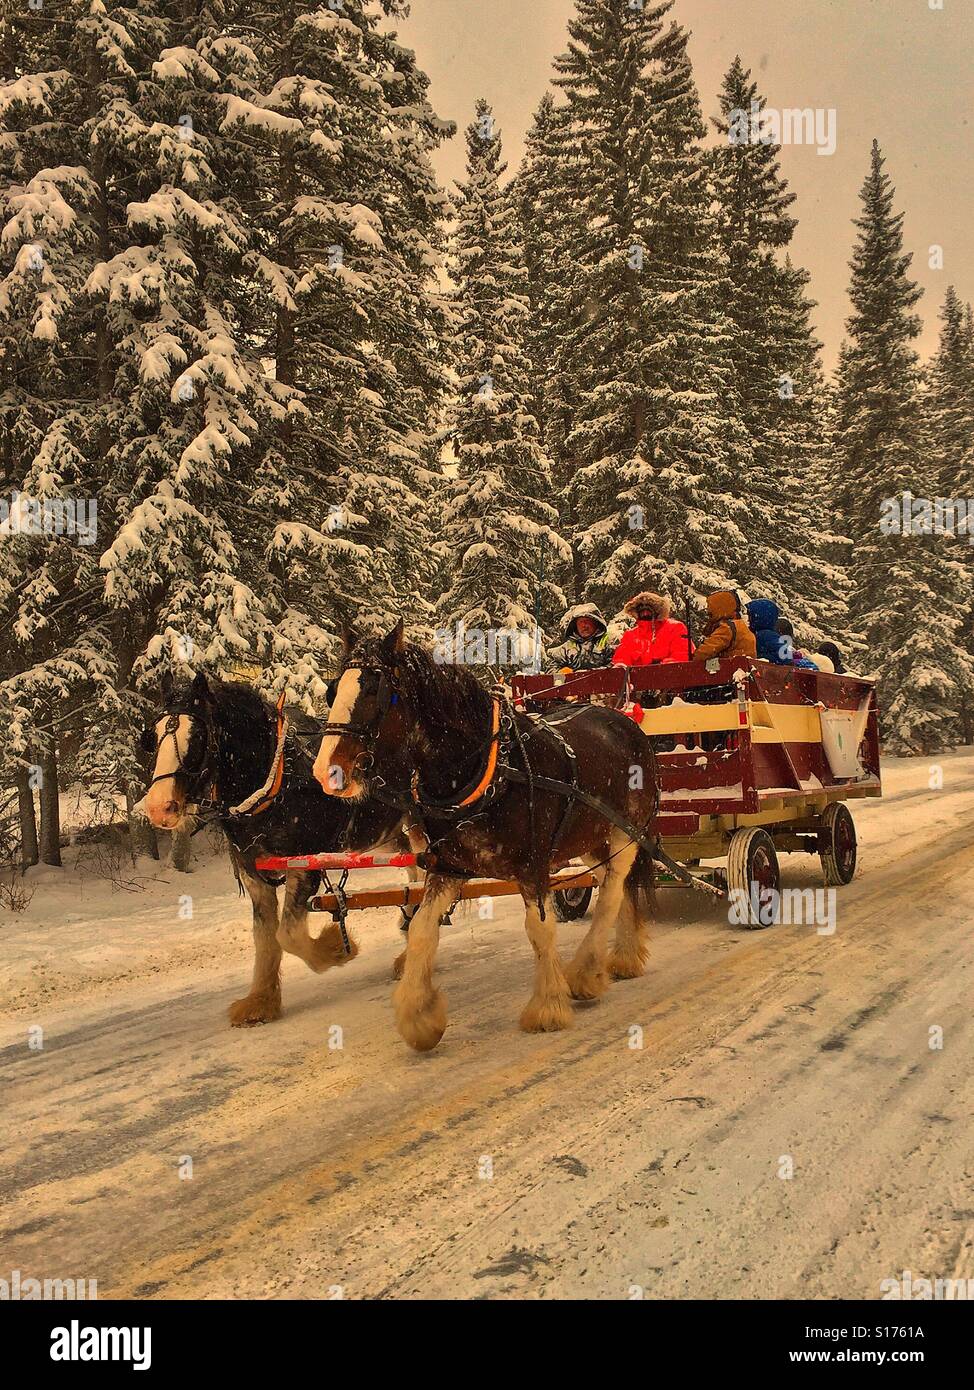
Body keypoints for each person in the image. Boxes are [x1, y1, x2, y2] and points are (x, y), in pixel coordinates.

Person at [612, 591, 693, 666]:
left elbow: (682, 657)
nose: (645, 613)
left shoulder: (675, 628)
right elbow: (621, 661)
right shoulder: (630, 636)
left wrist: (659, 668)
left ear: (658, 611)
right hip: (636, 680)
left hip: (670, 678)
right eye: (641, 609)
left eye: (649, 609)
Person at [545, 603, 616, 672]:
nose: (583, 626)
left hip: (603, 682)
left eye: (587, 621)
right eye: (580, 622)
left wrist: (591, 673)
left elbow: (617, 665)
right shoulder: (567, 647)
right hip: (574, 683)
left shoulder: (610, 641)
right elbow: (551, 666)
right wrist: (561, 672)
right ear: (575, 626)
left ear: (596, 622)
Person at [692, 590, 756, 662]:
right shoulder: (740, 625)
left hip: (729, 669)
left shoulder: (727, 628)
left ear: (719, 607)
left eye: (710, 607)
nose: (708, 611)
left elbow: (707, 650)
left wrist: (693, 659)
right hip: (741, 667)